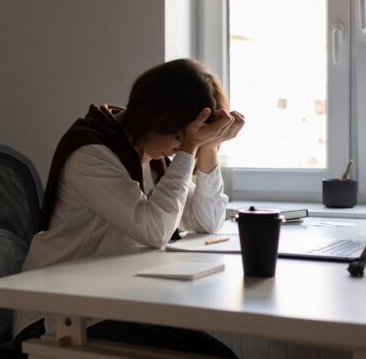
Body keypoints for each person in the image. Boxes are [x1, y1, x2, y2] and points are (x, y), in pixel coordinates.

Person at [13, 58, 244, 357]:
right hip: (55, 314)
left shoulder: (152, 155)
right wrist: (188, 150)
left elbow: (206, 221)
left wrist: (208, 148)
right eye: (178, 135)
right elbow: (155, 230)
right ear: (155, 116)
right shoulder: (91, 153)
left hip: (109, 302)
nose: (180, 146)